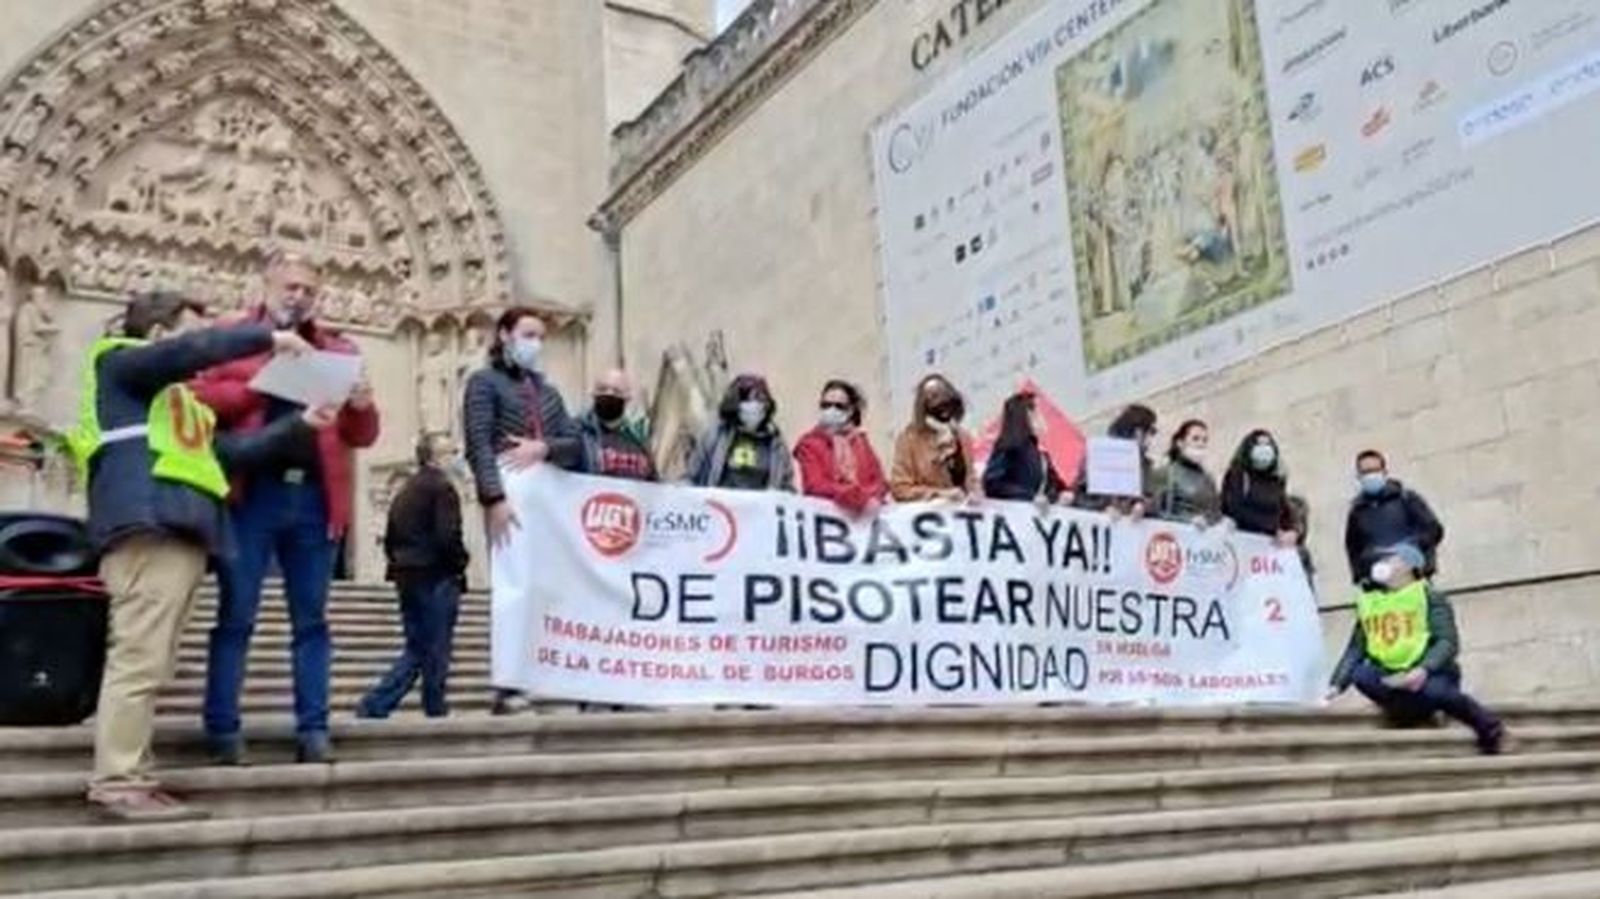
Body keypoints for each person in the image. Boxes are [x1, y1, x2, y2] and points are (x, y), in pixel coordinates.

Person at [69, 291, 333, 821]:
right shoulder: (120, 363)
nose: (204, 352)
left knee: (155, 663)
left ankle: (135, 774)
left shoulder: (177, 402)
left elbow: (231, 454)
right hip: (149, 525)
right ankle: (117, 781)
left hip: (182, 530)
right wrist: (266, 336)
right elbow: (190, 353)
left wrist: (303, 423)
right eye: (192, 334)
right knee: (139, 660)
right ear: (163, 334)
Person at [195, 250, 380, 766]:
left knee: (313, 621)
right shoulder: (237, 341)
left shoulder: (338, 349)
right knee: (236, 616)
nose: (298, 297)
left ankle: (314, 730)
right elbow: (204, 400)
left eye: (308, 290)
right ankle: (223, 729)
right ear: (266, 286)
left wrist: (361, 404)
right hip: (251, 494)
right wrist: (268, 376)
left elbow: (362, 436)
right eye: (289, 287)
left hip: (314, 499)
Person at [462, 306, 584, 715]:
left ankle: (541, 674)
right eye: (529, 334)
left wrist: (543, 447)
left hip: (548, 495)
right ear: (505, 336)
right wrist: (493, 498)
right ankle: (509, 684)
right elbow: (478, 441)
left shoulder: (549, 394)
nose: (537, 343)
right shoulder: (483, 383)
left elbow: (574, 443)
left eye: (541, 337)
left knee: (544, 588)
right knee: (513, 587)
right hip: (510, 490)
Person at [1327, 543, 1508, 754]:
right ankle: (1418, 714)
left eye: (1390, 560)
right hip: (1391, 674)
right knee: (1363, 675)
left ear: (1408, 566)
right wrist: (1337, 684)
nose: (1382, 565)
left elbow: (1447, 642)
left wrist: (1423, 669)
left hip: (1430, 673)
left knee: (1438, 692)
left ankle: (1491, 729)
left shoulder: (1430, 597)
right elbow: (1357, 648)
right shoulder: (1373, 604)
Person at [355, 432, 469, 720]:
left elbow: (391, 535)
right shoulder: (442, 489)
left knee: (418, 645)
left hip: (407, 574)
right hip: (435, 575)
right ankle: (398, 702)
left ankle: (388, 703)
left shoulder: (407, 490)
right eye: (450, 452)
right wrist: (460, 563)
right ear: (435, 458)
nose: (456, 457)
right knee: (434, 646)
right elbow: (448, 536)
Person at [1344, 449, 1445, 584]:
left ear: (1384, 472)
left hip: (1413, 579)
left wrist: (1411, 547)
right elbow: (1353, 549)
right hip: (1378, 586)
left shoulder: (1407, 499)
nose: (1370, 475)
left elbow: (1434, 530)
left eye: (1374, 470)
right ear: (1359, 476)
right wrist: (1360, 576)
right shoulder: (1357, 512)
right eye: (1366, 472)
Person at [794, 379, 887, 516]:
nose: (831, 410)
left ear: (850, 411)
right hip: (827, 519)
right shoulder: (809, 443)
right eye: (826, 405)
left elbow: (879, 482)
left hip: (863, 518)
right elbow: (814, 485)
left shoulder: (860, 442)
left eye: (839, 406)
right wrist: (849, 494)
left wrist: (867, 497)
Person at [687, 373, 795, 491]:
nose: (756, 405)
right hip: (718, 506)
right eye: (750, 399)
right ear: (735, 403)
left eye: (761, 400)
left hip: (759, 508)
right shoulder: (715, 435)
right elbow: (692, 475)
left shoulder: (776, 444)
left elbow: (786, 485)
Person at [890, 373, 978, 501]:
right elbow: (900, 489)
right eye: (933, 398)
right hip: (928, 515)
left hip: (960, 514)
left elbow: (970, 479)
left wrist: (975, 493)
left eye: (945, 396)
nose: (941, 404)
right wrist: (939, 494)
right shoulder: (909, 439)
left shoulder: (961, 436)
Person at [982, 390, 1067, 506]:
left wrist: (1063, 494)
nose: (1043, 418)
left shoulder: (1041, 454)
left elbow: (1053, 484)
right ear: (1027, 415)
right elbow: (993, 483)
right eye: (1038, 412)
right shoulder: (1010, 445)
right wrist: (1029, 497)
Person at [1221, 428, 1299, 547]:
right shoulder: (1238, 475)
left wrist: (1292, 531)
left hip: (1270, 548)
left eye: (1267, 444)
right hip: (1242, 543)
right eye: (1259, 444)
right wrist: (1272, 528)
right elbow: (1234, 509)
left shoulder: (1277, 480)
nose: (1264, 449)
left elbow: (1286, 513)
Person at [1075, 403, 1158, 516]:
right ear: (1138, 432)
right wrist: (1103, 508)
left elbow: (1152, 498)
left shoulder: (1145, 465)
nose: (1151, 439)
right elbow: (1080, 495)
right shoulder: (1099, 456)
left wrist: (1142, 505)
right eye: (1151, 431)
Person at [578, 368, 656, 481]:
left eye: (616, 391)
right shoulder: (576, 434)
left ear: (627, 398)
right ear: (592, 393)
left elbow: (653, 484)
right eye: (602, 389)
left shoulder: (638, 442)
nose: (609, 394)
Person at [1151, 418, 1222, 525]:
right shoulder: (1166, 473)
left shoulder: (1208, 478)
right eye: (1195, 439)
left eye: (1204, 440)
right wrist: (1188, 521)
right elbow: (1155, 512)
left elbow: (1216, 513)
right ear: (1180, 443)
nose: (1201, 444)